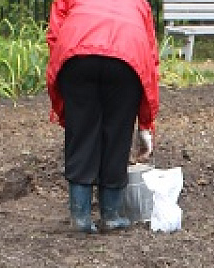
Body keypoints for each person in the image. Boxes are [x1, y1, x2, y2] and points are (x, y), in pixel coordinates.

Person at [46, 0, 160, 234]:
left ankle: (80, 217)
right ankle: (112, 214)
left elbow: (55, 35)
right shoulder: (140, 3)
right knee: (118, 133)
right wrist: (146, 125)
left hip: (77, 56)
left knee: (81, 132)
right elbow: (150, 55)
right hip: (128, 59)